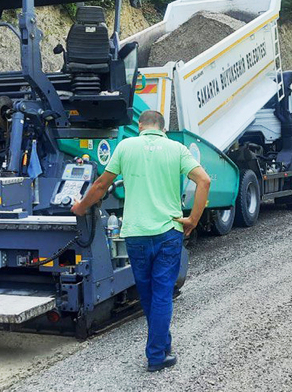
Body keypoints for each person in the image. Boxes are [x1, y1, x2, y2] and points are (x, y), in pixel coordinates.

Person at [71, 110, 211, 372]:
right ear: (162, 128)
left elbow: (102, 185)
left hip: (135, 234)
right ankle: (157, 355)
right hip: (168, 232)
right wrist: (192, 219)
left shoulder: (126, 146)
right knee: (161, 294)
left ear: (140, 126)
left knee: (148, 295)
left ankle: (162, 345)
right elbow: (204, 180)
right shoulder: (176, 149)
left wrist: (80, 208)